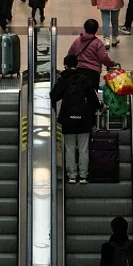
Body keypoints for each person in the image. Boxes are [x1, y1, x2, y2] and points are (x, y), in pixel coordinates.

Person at [51, 54, 102, 184]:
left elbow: (53, 95)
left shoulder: (63, 80)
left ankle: (72, 176)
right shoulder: (84, 79)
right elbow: (93, 98)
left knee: (69, 148)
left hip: (68, 119)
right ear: (77, 64)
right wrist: (100, 106)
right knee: (84, 148)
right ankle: (84, 176)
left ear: (65, 66)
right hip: (84, 119)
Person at [67, 19, 119, 89]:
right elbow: (103, 58)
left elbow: (70, 54)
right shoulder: (98, 43)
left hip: (78, 71)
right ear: (96, 29)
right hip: (93, 73)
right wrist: (111, 64)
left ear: (84, 27)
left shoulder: (77, 40)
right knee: (92, 95)